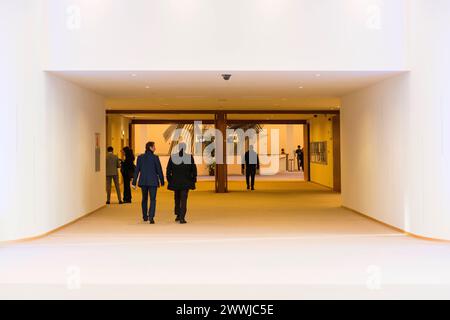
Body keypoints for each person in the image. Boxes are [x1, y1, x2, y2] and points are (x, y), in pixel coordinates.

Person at [132, 142, 164, 224]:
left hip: (143, 181)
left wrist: (134, 182)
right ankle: (151, 217)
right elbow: (159, 170)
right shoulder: (155, 157)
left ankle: (145, 216)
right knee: (153, 199)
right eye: (154, 147)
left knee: (144, 199)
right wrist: (162, 180)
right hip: (153, 182)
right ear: (150, 147)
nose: (155, 148)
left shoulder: (140, 157)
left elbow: (137, 171)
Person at [166, 143, 197, 224]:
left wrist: (170, 180)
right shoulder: (189, 157)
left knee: (177, 198)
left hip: (175, 182)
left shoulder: (173, 157)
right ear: (185, 148)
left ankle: (178, 215)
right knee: (183, 200)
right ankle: (182, 218)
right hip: (186, 182)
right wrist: (193, 180)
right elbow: (193, 169)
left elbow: (168, 170)